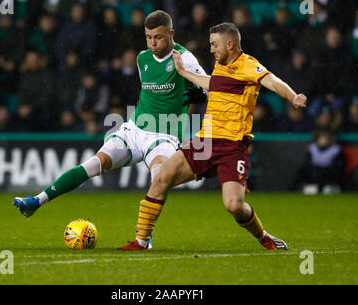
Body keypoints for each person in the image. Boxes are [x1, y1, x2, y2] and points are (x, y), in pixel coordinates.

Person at [120, 22, 307, 251]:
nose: (211, 49)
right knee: (161, 178)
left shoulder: (248, 65)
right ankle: (141, 241)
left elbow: (272, 81)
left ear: (230, 44)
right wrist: (183, 73)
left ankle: (263, 236)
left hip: (232, 146)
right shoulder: (220, 64)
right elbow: (213, 83)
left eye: (214, 44)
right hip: (205, 141)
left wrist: (292, 96)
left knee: (234, 205)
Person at [13, 11, 208, 230]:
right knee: (95, 164)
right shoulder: (142, 58)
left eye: (159, 37)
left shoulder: (185, 58)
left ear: (171, 33)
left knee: (158, 179)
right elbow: (148, 92)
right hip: (134, 129)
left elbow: (210, 86)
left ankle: (144, 236)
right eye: (148, 37)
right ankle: (36, 201)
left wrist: (201, 92)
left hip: (165, 134)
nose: (153, 42)